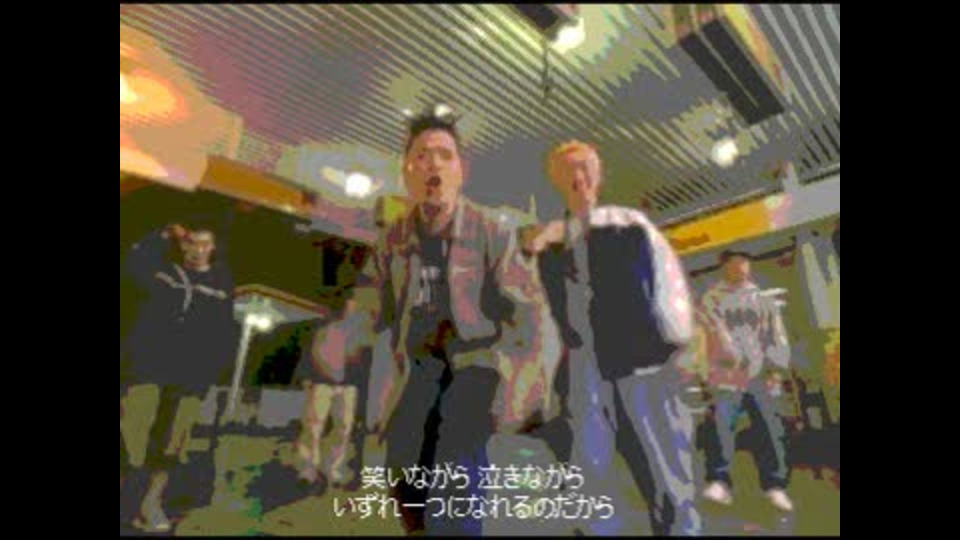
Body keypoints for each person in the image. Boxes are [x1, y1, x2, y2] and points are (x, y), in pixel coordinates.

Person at [321, 106, 560, 535]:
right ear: (407, 172)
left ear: (460, 171)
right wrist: (343, 337)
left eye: (445, 155)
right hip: (417, 367)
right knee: (403, 468)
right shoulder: (393, 239)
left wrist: (525, 380)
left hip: (476, 362)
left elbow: (529, 311)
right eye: (422, 155)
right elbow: (370, 302)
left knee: (456, 464)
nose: (433, 164)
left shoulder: (490, 232)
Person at [522, 140, 701, 535]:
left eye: (584, 167)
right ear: (555, 181)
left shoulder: (630, 224)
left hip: (643, 365)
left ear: (599, 174)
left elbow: (669, 285)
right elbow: (540, 314)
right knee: (588, 480)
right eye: (567, 171)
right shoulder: (548, 245)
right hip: (581, 372)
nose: (578, 177)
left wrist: (677, 347)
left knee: (666, 473)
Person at [120, 222, 238, 532]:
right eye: (191, 243)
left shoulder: (221, 285)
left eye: (204, 244)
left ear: (213, 247)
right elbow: (132, 263)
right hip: (148, 369)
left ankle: (151, 504)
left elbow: (224, 334)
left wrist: (211, 377)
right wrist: (161, 235)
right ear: (182, 245)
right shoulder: (163, 272)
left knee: (172, 445)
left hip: (190, 378)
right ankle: (127, 503)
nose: (197, 251)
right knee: (132, 439)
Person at [698, 250, 794, 512]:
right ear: (725, 268)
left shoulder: (761, 299)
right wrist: (707, 373)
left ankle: (775, 486)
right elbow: (707, 336)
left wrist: (776, 368)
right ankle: (719, 482)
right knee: (721, 428)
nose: (741, 269)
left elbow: (776, 334)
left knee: (770, 429)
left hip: (759, 374)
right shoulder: (711, 299)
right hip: (725, 376)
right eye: (736, 264)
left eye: (745, 264)